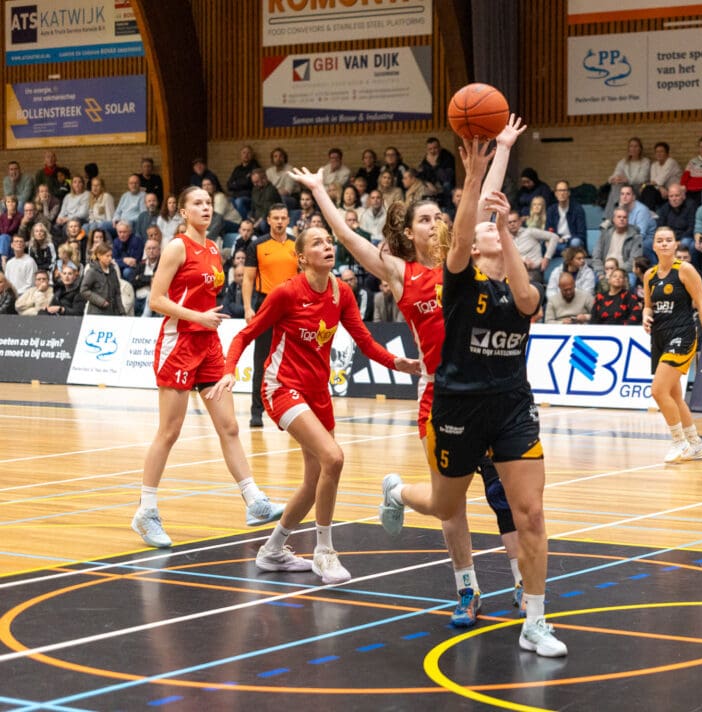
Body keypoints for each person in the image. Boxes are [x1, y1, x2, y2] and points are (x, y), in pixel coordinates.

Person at [291, 133, 528, 628]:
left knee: (505, 493)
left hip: (488, 390)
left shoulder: (461, 259)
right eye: (425, 218)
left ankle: (522, 583)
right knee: (451, 504)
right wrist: (318, 191)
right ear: (409, 232)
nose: (436, 222)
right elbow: (349, 238)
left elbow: (485, 202)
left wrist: (503, 147)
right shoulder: (401, 272)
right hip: (439, 395)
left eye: (440, 216)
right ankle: (466, 588)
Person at [378, 122, 570, 657]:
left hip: (510, 407)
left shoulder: (521, 287)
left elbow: (526, 297)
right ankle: (398, 492)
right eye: (483, 224)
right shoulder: (456, 279)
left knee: (530, 512)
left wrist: (504, 223)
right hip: (457, 406)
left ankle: (535, 619)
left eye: (494, 223)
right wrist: (478, 170)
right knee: (445, 504)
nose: (487, 222)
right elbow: (465, 230)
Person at [206, 226, 418, 582]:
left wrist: (397, 363)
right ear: (302, 258)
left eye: (329, 242)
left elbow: (365, 342)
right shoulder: (286, 293)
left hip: (318, 392)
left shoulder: (342, 292)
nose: (327, 246)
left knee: (314, 479)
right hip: (281, 387)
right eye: (318, 243)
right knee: (334, 457)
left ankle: (272, 549)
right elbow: (245, 335)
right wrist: (229, 372)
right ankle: (324, 551)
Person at [130, 186, 286, 549]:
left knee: (229, 426)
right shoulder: (177, 247)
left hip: (208, 345)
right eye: (197, 203)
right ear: (184, 212)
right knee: (169, 432)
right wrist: (196, 317)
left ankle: (254, 500)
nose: (205, 207)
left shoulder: (214, 248)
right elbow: (157, 299)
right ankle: (146, 511)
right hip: (179, 343)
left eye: (208, 203)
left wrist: (205, 321)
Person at [643, 226, 702, 463]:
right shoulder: (649, 275)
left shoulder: (685, 270)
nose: (664, 244)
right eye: (660, 240)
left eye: (669, 240)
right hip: (660, 337)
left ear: (675, 245)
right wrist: (645, 316)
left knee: (658, 391)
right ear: (654, 246)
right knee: (674, 396)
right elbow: (648, 306)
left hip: (683, 334)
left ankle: (679, 442)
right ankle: (696, 443)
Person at [243, 204, 298, 428]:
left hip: (292, 306)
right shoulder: (257, 245)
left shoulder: (297, 244)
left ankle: (294, 411)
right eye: (275, 218)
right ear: (268, 220)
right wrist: (248, 307)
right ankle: (256, 412)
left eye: (283, 218)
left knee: (294, 361)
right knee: (262, 361)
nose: (279, 222)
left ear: (288, 220)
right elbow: (248, 278)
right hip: (265, 304)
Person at [603, 137, 650, 220]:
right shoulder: (623, 162)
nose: (633, 148)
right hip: (623, 191)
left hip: (637, 189)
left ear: (640, 149)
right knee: (616, 184)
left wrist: (627, 180)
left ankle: (608, 218)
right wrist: (614, 179)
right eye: (631, 146)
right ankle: (620, 205)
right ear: (628, 149)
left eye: (636, 146)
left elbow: (642, 178)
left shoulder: (645, 161)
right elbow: (615, 174)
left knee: (616, 190)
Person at [545, 180, 587, 254]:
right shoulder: (551, 210)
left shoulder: (578, 209)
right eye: (559, 191)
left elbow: (581, 234)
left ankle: (564, 252)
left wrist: (565, 240)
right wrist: (550, 241)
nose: (562, 193)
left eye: (564, 190)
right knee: (542, 244)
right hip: (556, 242)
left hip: (571, 243)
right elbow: (548, 231)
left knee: (576, 242)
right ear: (555, 193)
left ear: (569, 193)